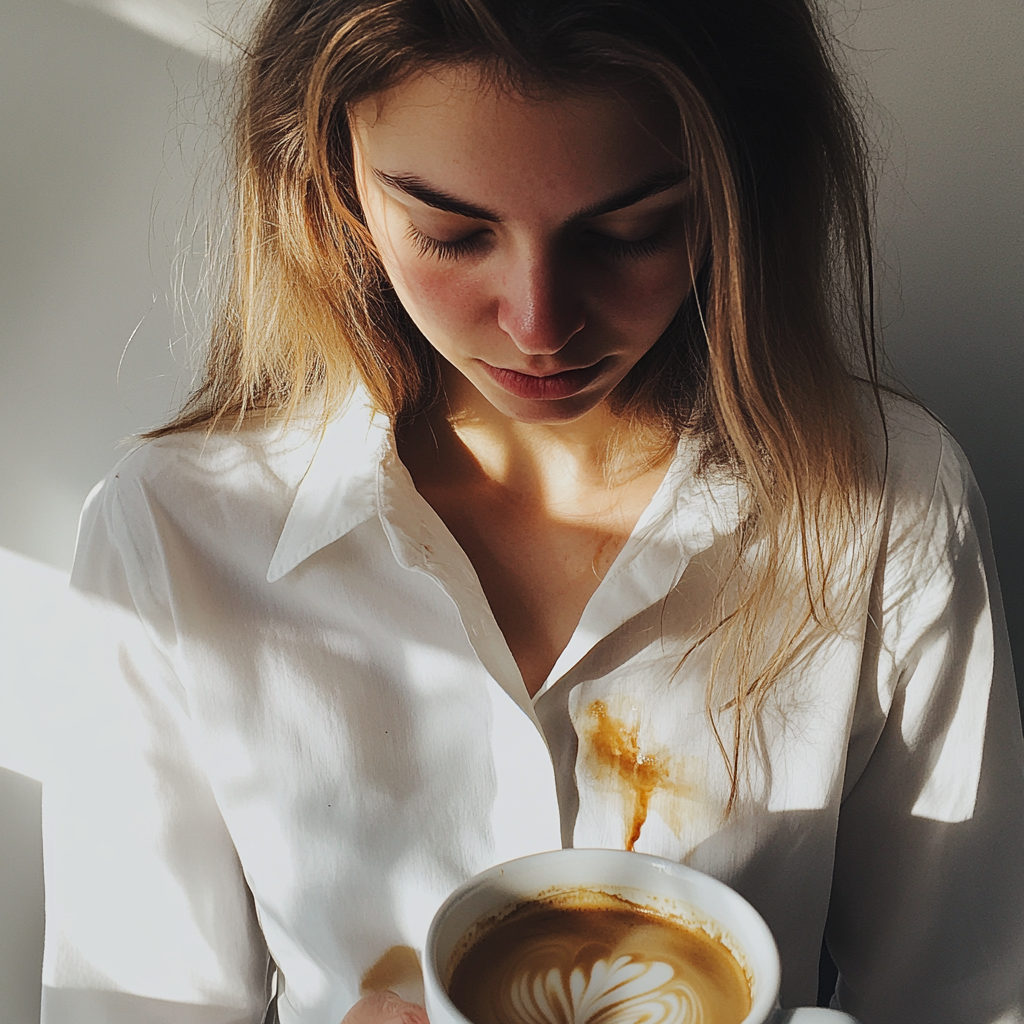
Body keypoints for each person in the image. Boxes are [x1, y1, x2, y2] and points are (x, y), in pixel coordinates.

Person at [39, 1, 1024, 1022]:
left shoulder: (887, 513)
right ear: (335, 182)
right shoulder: (170, 538)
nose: (540, 323)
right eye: (450, 232)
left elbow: (965, 995)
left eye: (632, 229)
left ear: (740, 189)